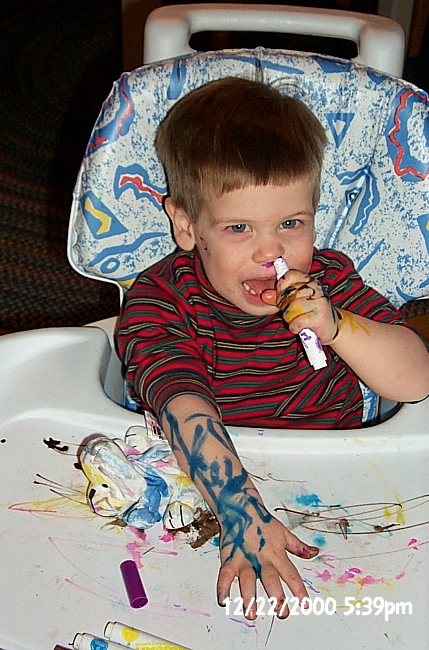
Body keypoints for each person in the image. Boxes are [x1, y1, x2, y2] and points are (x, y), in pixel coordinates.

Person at [116, 77, 429, 620]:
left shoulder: (329, 283)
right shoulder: (163, 301)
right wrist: (239, 510)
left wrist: (336, 326)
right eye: (239, 227)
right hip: (213, 492)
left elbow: (417, 380)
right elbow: (182, 404)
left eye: (291, 223)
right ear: (187, 226)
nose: (271, 250)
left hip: (344, 484)